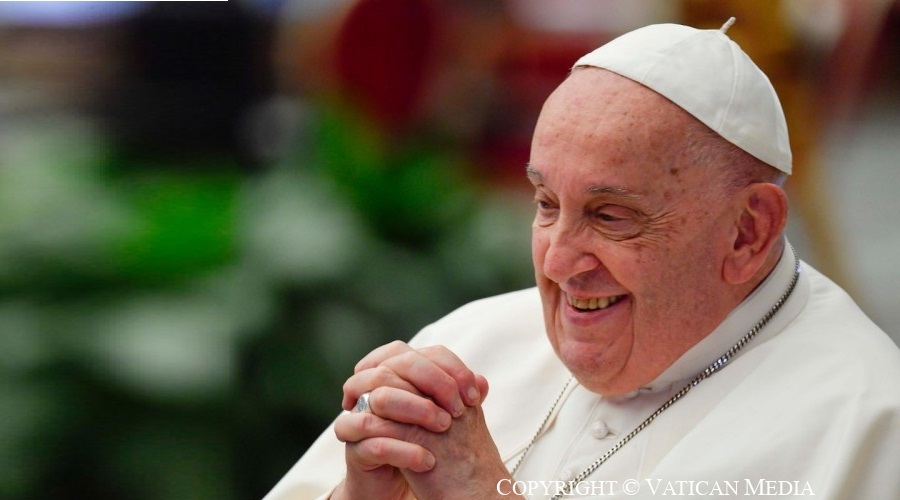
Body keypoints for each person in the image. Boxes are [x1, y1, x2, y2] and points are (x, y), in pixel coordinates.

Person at [265, 20, 900, 500]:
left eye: (610, 215)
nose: (560, 260)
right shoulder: (472, 340)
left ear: (747, 232)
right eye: (545, 203)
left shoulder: (871, 424)